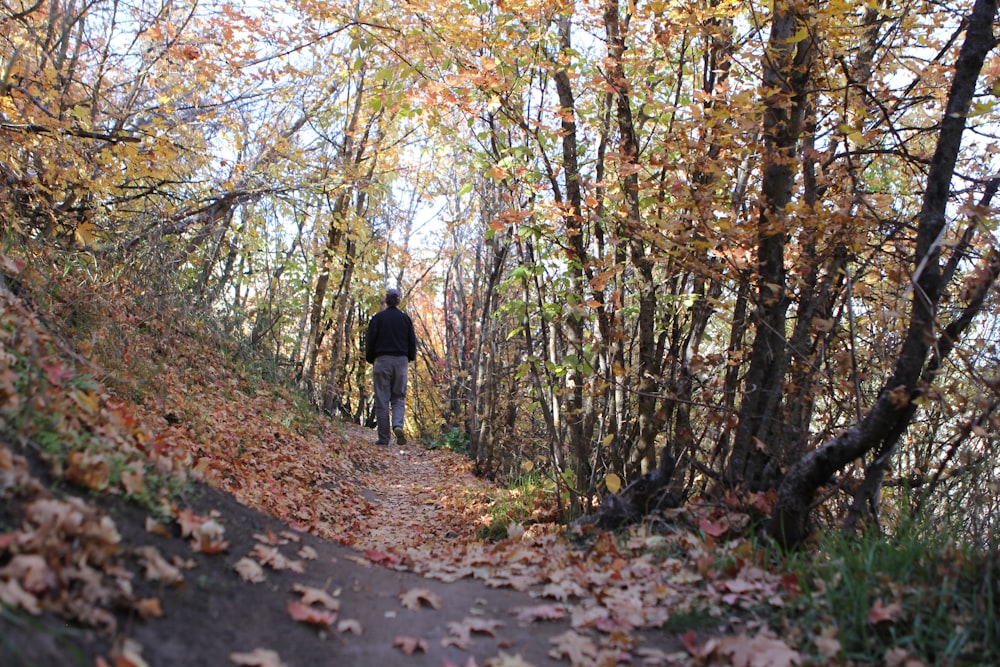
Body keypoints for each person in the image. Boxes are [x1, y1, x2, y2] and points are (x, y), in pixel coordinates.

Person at [365, 287, 417, 447]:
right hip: (401, 361)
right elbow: (412, 342)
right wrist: (409, 357)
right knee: (398, 398)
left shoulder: (377, 319)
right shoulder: (405, 319)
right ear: (398, 301)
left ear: (386, 301)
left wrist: (370, 358)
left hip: (382, 361)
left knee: (382, 400)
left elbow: (370, 341)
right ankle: (398, 425)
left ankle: (384, 439)